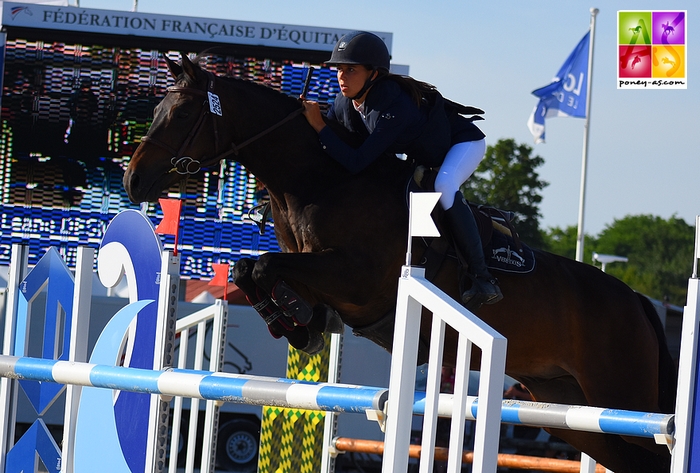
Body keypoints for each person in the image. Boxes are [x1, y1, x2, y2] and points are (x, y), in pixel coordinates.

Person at [301, 30, 502, 310]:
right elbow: (333, 152)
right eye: (339, 70)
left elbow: (357, 161)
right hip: (421, 156)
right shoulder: (342, 104)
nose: (342, 77)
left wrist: (320, 126)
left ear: (374, 73)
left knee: (444, 184)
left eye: (351, 70)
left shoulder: (393, 102)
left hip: (462, 144)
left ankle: (482, 278)